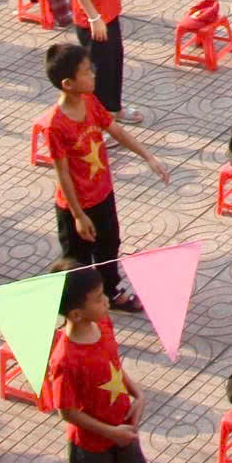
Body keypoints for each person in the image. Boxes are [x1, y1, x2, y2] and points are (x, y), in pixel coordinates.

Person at [40, 42, 169, 307]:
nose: (93, 75)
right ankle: (77, 309)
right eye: (86, 72)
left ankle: (110, 290)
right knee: (77, 261)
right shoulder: (55, 125)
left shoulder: (89, 101)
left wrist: (148, 157)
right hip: (75, 206)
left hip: (102, 194)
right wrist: (77, 215)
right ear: (68, 83)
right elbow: (62, 174)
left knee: (109, 247)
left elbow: (117, 131)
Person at [44, 268, 160, 463]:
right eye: (98, 298)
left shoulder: (104, 324)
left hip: (122, 425)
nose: (107, 300)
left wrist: (137, 394)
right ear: (76, 314)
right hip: (90, 443)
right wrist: (111, 433)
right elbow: (67, 412)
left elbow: (113, 366)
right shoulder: (65, 359)